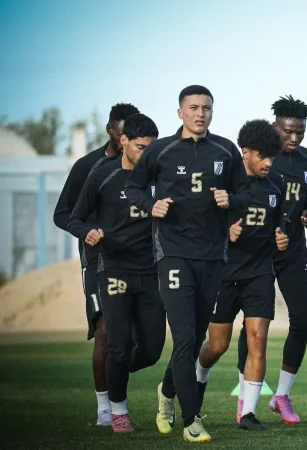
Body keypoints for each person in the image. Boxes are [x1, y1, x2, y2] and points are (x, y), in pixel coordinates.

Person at [125, 85, 251, 443]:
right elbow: (133, 189)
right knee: (183, 339)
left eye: (206, 108)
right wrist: (151, 206)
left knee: (194, 341)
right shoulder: (161, 150)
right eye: (193, 107)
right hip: (173, 254)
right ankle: (192, 421)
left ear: (212, 112)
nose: (200, 113)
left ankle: (167, 391)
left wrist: (231, 200)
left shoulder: (225, 150)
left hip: (212, 256)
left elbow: (246, 194)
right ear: (180, 112)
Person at [66, 113, 164, 433]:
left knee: (151, 350)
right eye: (140, 147)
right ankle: (118, 412)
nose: (146, 155)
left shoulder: (159, 177)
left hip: (150, 273)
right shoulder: (101, 176)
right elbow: (73, 217)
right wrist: (88, 232)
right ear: (123, 141)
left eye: (151, 149)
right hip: (114, 271)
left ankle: (115, 371)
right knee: (117, 344)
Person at [194, 119, 287, 431]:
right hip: (224, 272)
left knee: (257, 339)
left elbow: (277, 221)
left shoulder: (276, 184)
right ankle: (199, 375)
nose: (268, 162)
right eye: (262, 156)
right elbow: (202, 223)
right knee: (217, 345)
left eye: (272, 156)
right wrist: (225, 233)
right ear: (245, 152)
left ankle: (248, 414)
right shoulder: (223, 182)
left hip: (260, 272)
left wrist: (280, 235)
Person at [53, 102, 140, 426]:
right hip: (96, 262)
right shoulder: (87, 167)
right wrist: (86, 231)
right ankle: (107, 408)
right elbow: (62, 214)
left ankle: (115, 387)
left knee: (133, 339)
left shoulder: (146, 166)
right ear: (111, 131)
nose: (126, 141)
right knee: (105, 331)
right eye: (122, 134)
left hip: (137, 262)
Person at [260, 95, 307, 424]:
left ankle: (281, 395)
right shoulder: (260, 159)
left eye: (300, 132)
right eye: (288, 131)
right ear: (275, 127)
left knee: (302, 318)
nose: (294, 138)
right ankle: (246, 396)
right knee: (257, 322)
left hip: (294, 251)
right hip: (259, 252)